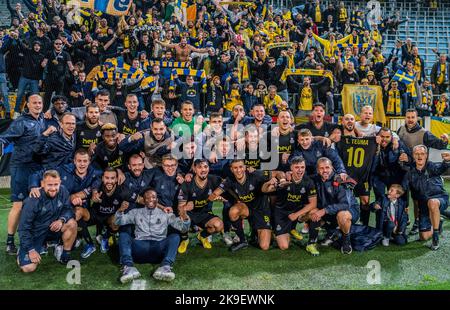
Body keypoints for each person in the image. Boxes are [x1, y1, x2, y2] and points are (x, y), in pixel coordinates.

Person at [0, 94, 47, 255]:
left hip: (37, 167)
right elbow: (5, 138)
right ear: (27, 104)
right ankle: (10, 241)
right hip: (22, 167)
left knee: (35, 204)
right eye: (34, 103)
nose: (38, 105)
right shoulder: (21, 122)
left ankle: (35, 239)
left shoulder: (42, 119)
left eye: (40, 102)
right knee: (18, 205)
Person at [116, 188, 190, 283]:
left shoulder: (166, 214)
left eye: (153, 197)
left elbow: (183, 228)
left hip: (158, 249)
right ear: (143, 200)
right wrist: (120, 211)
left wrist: (185, 218)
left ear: (157, 200)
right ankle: (129, 267)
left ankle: (165, 267)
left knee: (175, 236)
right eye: (147, 197)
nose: (151, 199)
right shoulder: (136, 212)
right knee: (123, 235)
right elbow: (118, 221)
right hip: (140, 249)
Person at [208, 159, 282, 252]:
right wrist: (215, 197)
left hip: (261, 210)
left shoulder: (255, 174)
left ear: (245, 167)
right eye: (235, 168)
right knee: (233, 211)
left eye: (240, 167)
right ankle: (242, 241)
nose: (238, 170)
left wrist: (282, 180)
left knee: (264, 246)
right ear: (231, 169)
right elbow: (214, 194)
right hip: (246, 209)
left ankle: (258, 231)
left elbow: (278, 173)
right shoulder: (229, 180)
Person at [17, 170, 77, 272]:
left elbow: (68, 209)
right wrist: (30, 250)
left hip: (52, 229)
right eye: (49, 185)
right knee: (28, 268)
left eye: (56, 184)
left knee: (72, 223)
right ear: (42, 184)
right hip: (36, 234)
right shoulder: (33, 200)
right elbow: (23, 228)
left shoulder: (63, 191)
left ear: (60, 183)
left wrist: (61, 220)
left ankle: (64, 254)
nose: (53, 188)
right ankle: (24, 249)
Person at [264, 156, 320, 255]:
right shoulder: (284, 179)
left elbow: (313, 203)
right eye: (297, 167)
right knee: (284, 246)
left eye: (302, 167)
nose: (300, 170)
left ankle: (311, 243)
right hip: (282, 213)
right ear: (291, 168)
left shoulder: (308, 182)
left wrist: (296, 214)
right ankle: (286, 230)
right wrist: (271, 183)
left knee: (314, 211)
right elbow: (266, 190)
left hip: (297, 213)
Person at [401, 145, 450, 250]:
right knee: (424, 237)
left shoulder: (431, 166)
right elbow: (404, 190)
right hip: (424, 205)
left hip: (439, 198)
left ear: (426, 155)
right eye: (417, 154)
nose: (420, 156)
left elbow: (441, 168)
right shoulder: (410, 172)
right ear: (413, 156)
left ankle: (435, 238)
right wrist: (404, 204)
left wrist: (446, 162)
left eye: (422, 154)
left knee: (432, 203)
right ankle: (438, 223)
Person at [312, 157, 360, 255]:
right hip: (330, 209)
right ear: (317, 170)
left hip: (349, 210)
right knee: (311, 212)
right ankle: (332, 232)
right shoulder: (315, 179)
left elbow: (345, 204)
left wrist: (324, 210)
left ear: (332, 168)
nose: (325, 170)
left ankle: (346, 239)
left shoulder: (340, 180)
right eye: (321, 168)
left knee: (342, 215)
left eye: (327, 167)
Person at [178, 159, 224, 251]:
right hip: (189, 214)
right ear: (194, 169)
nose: (203, 170)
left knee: (218, 225)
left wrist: (218, 195)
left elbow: (227, 183)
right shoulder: (187, 183)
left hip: (204, 213)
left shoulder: (214, 179)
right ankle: (185, 239)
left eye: (205, 167)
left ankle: (202, 236)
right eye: (199, 167)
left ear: (209, 168)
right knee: (181, 217)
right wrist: (186, 208)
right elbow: (180, 207)